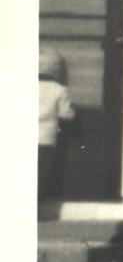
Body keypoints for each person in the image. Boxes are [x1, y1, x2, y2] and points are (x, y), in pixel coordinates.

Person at [38, 46, 75, 205]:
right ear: (56, 70)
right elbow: (66, 115)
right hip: (45, 139)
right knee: (40, 175)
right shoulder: (59, 90)